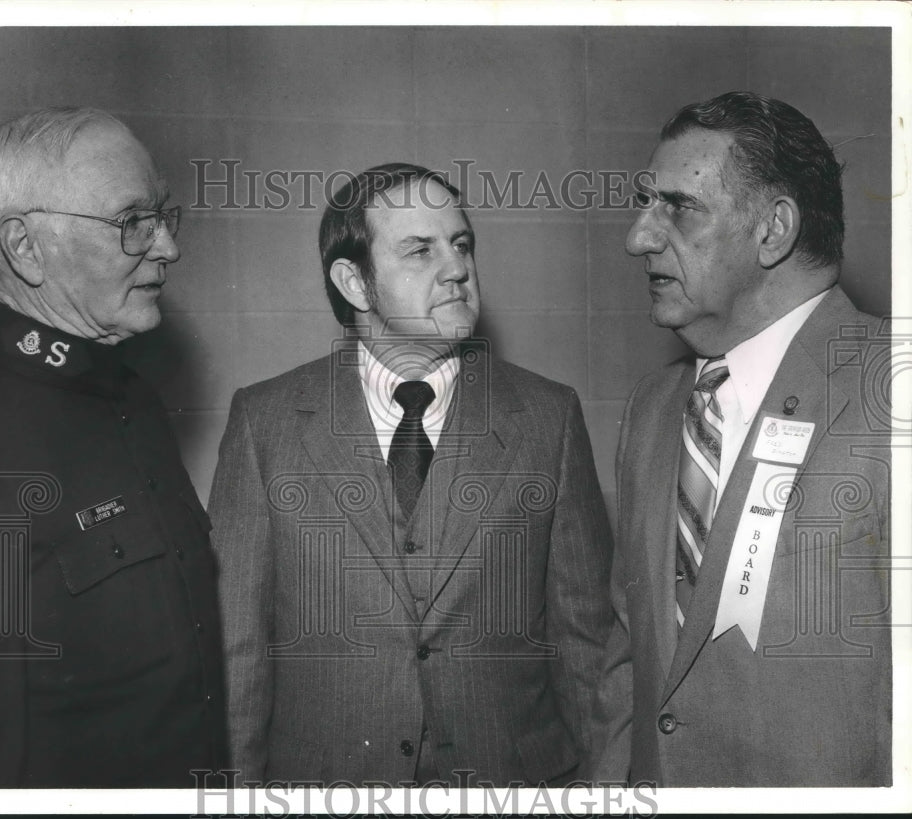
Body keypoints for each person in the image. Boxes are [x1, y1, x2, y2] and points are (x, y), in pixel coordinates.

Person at [209, 163, 613, 786]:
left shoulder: (547, 418)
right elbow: (237, 652)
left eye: (461, 244)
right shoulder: (266, 424)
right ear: (355, 282)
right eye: (420, 250)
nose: (456, 268)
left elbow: (585, 645)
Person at [593, 91, 891, 786]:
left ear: (773, 228)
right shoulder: (653, 409)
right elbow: (627, 658)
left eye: (679, 206)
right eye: (645, 203)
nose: (638, 237)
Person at [0, 107, 227, 787]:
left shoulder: (135, 399)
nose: (167, 247)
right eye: (131, 221)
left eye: (161, 216)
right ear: (26, 248)